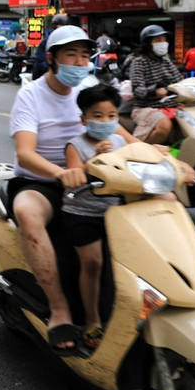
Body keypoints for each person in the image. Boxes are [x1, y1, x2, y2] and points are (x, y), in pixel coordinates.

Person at [8, 25, 141, 355]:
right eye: (72, 55)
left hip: (97, 177)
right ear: (52, 59)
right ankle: (60, 310)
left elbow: (115, 125)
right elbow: (25, 152)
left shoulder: (90, 85)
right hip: (42, 181)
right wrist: (62, 173)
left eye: (85, 55)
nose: (80, 62)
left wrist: (152, 151)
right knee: (27, 211)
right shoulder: (30, 95)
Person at [61, 84, 127, 351]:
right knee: (94, 263)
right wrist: (97, 159)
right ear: (83, 119)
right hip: (82, 214)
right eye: (97, 116)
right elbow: (74, 178)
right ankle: (92, 321)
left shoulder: (121, 142)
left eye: (111, 115)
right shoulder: (75, 145)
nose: (105, 121)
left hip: (117, 213)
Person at [128, 25, 183, 144]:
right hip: (146, 106)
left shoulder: (166, 61)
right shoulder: (139, 62)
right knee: (165, 126)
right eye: (158, 40)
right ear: (148, 44)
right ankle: (144, 153)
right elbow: (138, 89)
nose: (163, 43)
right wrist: (154, 90)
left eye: (164, 40)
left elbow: (180, 82)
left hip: (172, 105)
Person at [32, 13, 69, 79]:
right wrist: (55, 69)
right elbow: (41, 62)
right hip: (45, 76)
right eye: (60, 26)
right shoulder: (48, 40)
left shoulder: (68, 40)